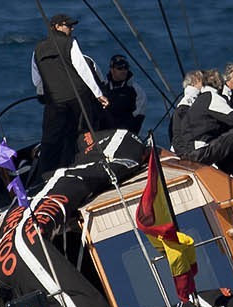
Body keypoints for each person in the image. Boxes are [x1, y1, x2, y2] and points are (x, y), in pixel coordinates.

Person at [30, 12, 108, 181]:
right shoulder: (69, 43)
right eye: (68, 25)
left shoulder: (37, 49)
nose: (71, 29)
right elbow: (83, 70)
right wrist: (99, 94)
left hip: (54, 102)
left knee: (51, 141)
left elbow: (36, 79)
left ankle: (45, 178)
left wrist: (46, 95)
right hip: (77, 98)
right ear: (56, 27)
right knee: (82, 134)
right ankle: (85, 169)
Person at [96, 54, 147, 134]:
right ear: (112, 70)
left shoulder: (135, 90)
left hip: (126, 133)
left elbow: (139, 115)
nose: (123, 71)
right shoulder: (102, 88)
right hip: (104, 132)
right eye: (120, 68)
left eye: (126, 68)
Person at [170, 70, 203, 154]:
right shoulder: (186, 105)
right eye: (202, 81)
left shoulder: (185, 103)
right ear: (194, 82)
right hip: (187, 150)